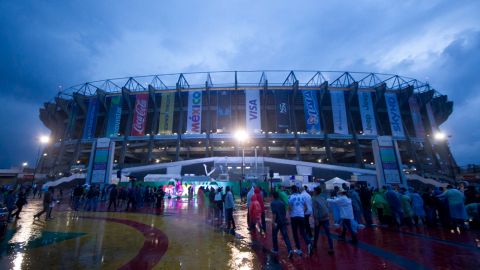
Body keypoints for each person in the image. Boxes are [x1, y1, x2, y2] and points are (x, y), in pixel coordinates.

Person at [288, 185, 313, 256]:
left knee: (295, 233)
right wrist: (302, 212)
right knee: (302, 232)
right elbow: (306, 207)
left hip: (294, 217)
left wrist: (291, 213)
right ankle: (308, 243)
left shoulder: (290, 197)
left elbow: (289, 208)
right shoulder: (302, 196)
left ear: (292, 190)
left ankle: (299, 249)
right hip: (301, 216)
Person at [270, 191, 294, 259]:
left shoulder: (273, 203)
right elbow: (284, 211)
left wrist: (273, 222)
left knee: (274, 235)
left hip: (277, 222)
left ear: (273, 196)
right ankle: (290, 249)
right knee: (285, 236)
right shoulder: (282, 202)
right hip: (282, 221)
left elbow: (274, 214)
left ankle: (275, 249)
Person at [312, 186, 334, 255]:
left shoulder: (314, 199)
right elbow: (328, 207)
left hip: (319, 218)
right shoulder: (323, 198)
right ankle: (331, 247)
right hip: (326, 217)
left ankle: (314, 245)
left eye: (314, 191)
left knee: (316, 233)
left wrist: (316, 219)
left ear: (316, 192)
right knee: (328, 233)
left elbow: (315, 210)